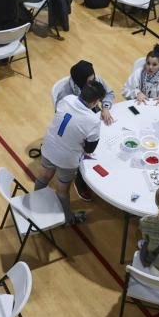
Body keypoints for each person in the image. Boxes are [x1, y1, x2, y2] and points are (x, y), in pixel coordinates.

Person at [35, 80, 107, 225]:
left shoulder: (67, 99)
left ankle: (36, 204)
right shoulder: (93, 120)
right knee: (62, 190)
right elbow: (89, 149)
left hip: (49, 147)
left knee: (44, 176)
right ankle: (68, 219)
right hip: (66, 160)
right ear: (95, 102)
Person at [54, 60, 117, 126]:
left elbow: (109, 93)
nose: (93, 83)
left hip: (96, 116)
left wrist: (105, 107)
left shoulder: (95, 80)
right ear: (81, 83)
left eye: (93, 79)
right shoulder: (65, 95)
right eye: (89, 82)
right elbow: (60, 116)